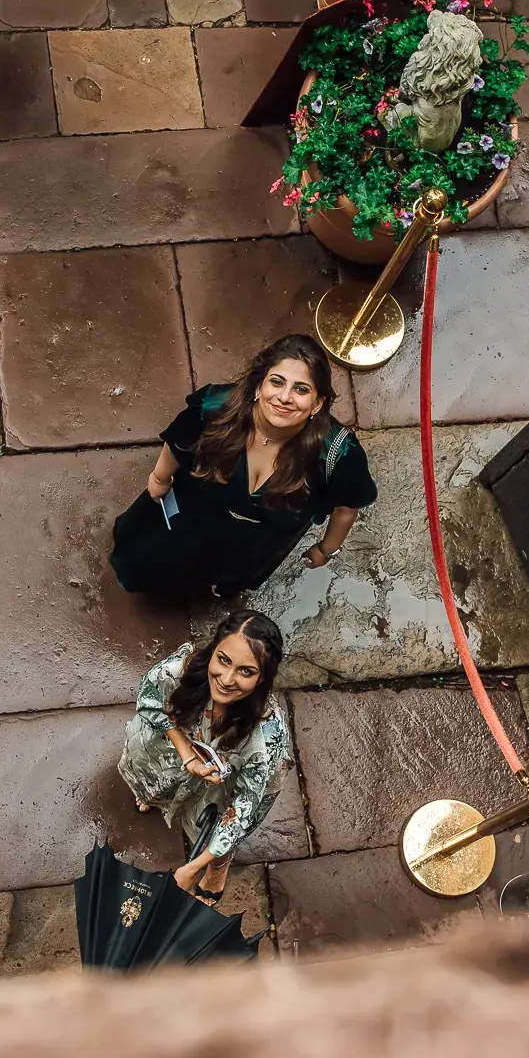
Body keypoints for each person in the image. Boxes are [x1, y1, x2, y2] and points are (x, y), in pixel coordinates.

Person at [110, 335, 377, 600]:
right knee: (147, 560)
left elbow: (346, 508)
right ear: (259, 386)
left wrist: (325, 549)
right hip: (194, 511)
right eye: (277, 382)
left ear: (317, 404)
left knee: (219, 581)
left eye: (301, 389)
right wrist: (160, 477)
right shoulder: (215, 409)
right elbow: (178, 442)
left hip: (254, 540)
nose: (284, 397)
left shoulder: (338, 454)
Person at [118, 611, 292, 903]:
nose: (226, 680)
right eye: (223, 660)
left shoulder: (266, 738)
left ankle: (217, 867)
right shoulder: (179, 670)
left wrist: (193, 867)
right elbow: (149, 700)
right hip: (174, 753)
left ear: (262, 678)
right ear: (213, 651)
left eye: (245, 671)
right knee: (155, 781)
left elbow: (242, 807)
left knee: (210, 829)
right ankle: (157, 795)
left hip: (224, 789)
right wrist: (187, 753)